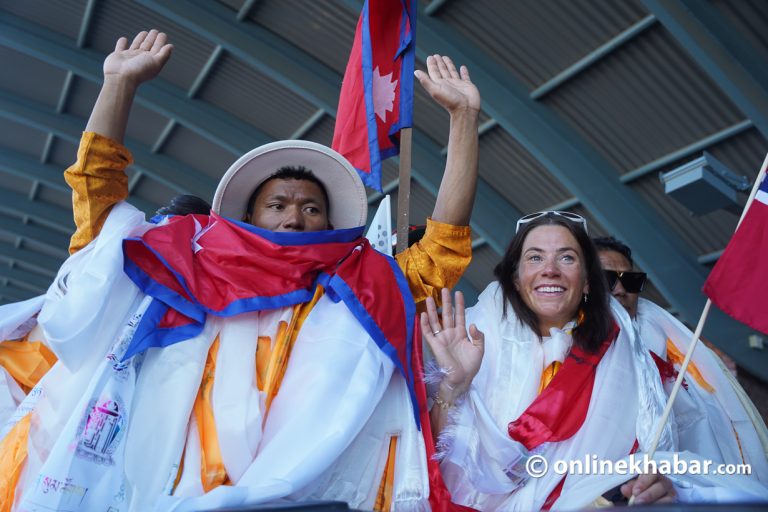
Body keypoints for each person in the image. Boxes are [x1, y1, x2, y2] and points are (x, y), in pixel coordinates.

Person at [0, 30, 481, 511]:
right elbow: (100, 213)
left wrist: (463, 120)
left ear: (331, 223)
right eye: (278, 204)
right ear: (247, 218)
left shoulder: (359, 281)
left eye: (312, 209)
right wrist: (118, 86)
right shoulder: (184, 257)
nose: (295, 216)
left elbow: (442, 251)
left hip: (294, 495)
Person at [421, 212, 767, 510]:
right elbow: (435, 470)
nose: (551, 270)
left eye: (567, 258)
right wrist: (453, 384)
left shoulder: (628, 353)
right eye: (535, 258)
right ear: (515, 277)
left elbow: (659, 454)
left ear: (587, 283)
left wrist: (662, 487)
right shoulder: (474, 339)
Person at [594, 236, 768, 485]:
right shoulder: (553, 345)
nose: (620, 290)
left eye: (630, 280)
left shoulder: (675, 348)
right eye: (606, 279)